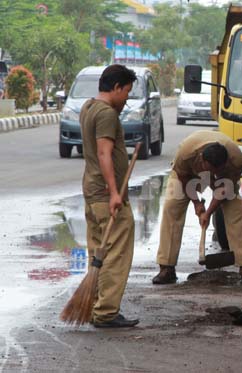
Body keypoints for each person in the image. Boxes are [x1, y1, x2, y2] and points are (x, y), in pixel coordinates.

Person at [152, 130, 242, 285]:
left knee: (237, 212)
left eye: (216, 171)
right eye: (210, 170)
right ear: (202, 160)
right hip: (187, 176)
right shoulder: (186, 153)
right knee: (171, 208)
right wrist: (197, 204)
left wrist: (208, 213)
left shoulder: (235, 158)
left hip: (224, 181)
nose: (211, 175)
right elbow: (183, 177)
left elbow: (224, 190)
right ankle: (166, 267)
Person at [80, 64, 139, 328]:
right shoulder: (106, 114)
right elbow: (104, 153)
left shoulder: (88, 107)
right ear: (116, 88)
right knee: (116, 251)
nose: (127, 98)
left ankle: (94, 306)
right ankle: (106, 311)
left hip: (92, 192)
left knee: (98, 251)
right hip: (106, 195)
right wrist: (115, 192)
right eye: (126, 91)